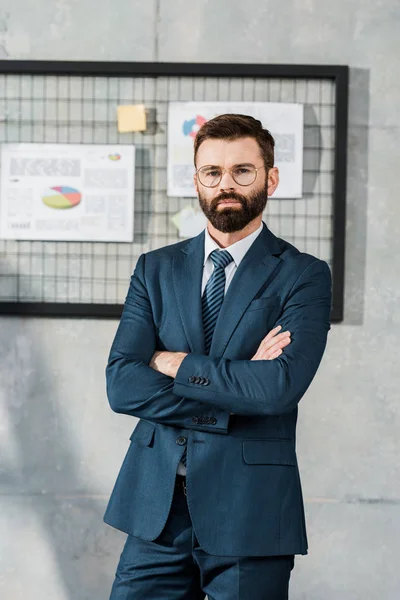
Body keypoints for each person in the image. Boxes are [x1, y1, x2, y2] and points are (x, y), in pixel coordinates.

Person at [104, 113, 332, 599]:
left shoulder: (304, 275)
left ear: (270, 177)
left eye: (242, 171)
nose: (225, 184)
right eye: (212, 172)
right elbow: (122, 384)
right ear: (197, 181)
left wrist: (172, 363)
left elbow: (277, 389)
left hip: (249, 511)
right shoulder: (155, 269)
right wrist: (237, 386)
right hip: (156, 510)